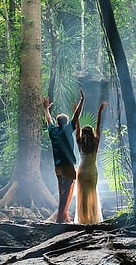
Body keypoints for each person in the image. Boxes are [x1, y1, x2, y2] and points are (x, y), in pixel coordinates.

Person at [43, 92, 83, 223]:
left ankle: (63, 216)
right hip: (67, 166)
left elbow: (49, 120)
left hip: (57, 167)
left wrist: (46, 109)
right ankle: (60, 217)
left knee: (62, 192)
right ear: (66, 123)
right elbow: (76, 116)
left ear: (58, 123)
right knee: (67, 192)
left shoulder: (53, 131)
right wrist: (82, 100)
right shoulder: (67, 129)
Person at [75, 96, 106, 225]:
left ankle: (83, 220)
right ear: (92, 134)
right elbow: (98, 127)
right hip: (92, 172)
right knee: (93, 194)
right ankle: (93, 219)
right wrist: (99, 111)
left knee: (82, 197)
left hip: (81, 172)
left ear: (82, 134)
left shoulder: (79, 142)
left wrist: (76, 112)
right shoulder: (96, 142)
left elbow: (77, 126)